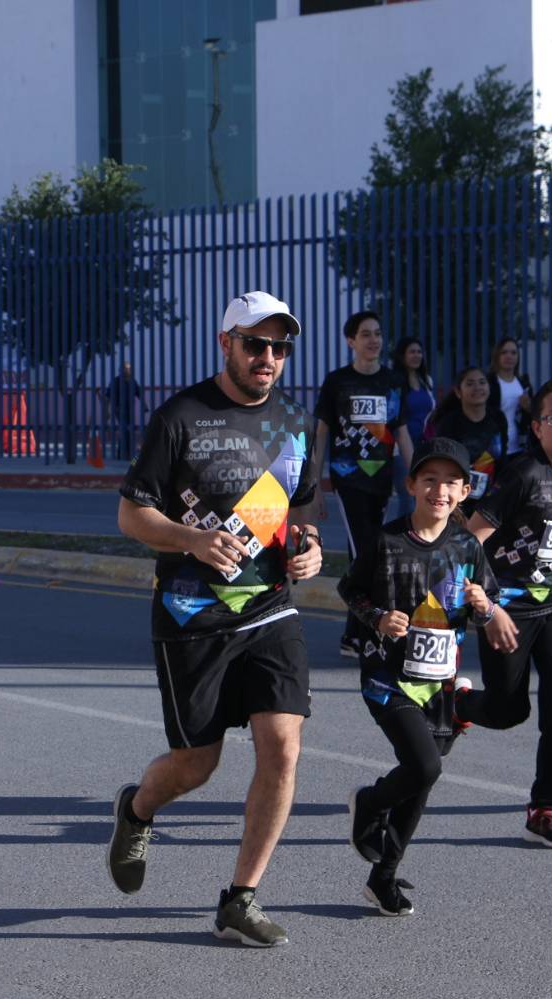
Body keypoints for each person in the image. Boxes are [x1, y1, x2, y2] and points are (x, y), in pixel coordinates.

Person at [107, 290, 324, 947]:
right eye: (254, 343)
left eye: (279, 347)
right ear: (224, 342)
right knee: (196, 764)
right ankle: (137, 807)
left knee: (282, 743)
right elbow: (130, 513)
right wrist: (191, 539)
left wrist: (310, 548)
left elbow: (302, 507)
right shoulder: (181, 416)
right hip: (191, 611)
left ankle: (240, 897)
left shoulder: (294, 422)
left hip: (267, 607)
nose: (267, 357)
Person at [339, 437, 507, 915]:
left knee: (421, 780)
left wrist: (484, 606)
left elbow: (487, 602)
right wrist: (376, 618)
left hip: (440, 682)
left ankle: (383, 877)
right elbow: (349, 589)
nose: (440, 490)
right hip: (387, 677)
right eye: (429, 479)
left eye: (451, 482)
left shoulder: (467, 546)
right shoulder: (386, 541)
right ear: (411, 485)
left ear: (464, 492)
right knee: (425, 766)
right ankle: (370, 803)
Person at [456, 378, 552, 847]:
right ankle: (458, 704)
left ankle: (544, 809)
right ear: (537, 427)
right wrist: (487, 606)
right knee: (506, 709)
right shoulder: (522, 475)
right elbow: (471, 541)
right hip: (507, 607)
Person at [314, 310, 414, 657]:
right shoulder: (337, 381)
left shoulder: (392, 381)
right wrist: (315, 485)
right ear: (351, 341)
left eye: (377, 333)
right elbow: (322, 432)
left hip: (382, 480)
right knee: (365, 552)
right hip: (348, 479)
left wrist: (415, 477)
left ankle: (354, 634)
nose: (373, 340)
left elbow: (400, 432)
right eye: (365, 334)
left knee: (372, 553)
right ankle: (363, 632)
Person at [430, 366, 509, 518]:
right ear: (458, 392)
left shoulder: (498, 418)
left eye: (482, 382)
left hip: (491, 501)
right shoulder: (448, 423)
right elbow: (443, 464)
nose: (477, 387)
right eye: (470, 383)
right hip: (458, 501)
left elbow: (502, 457)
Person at [388, 336, 435, 519]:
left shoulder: (427, 381)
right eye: (412, 352)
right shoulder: (395, 383)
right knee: (408, 496)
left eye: (419, 352)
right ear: (402, 356)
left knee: (423, 496)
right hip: (400, 448)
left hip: (424, 446)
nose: (416, 355)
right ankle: (403, 538)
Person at [490, 336, 534, 452]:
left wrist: (529, 407)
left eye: (513, 353)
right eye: (504, 352)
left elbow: (534, 413)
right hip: (494, 446)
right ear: (497, 356)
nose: (509, 356)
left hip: (519, 446)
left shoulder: (523, 383)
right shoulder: (489, 382)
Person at [104, 359, 146, 460]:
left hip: (130, 409)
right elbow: (108, 397)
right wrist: (108, 412)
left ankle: (126, 454)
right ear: (121, 370)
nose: (127, 370)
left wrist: (144, 405)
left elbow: (139, 394)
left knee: (129, 431)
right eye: (126, 368)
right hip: (119, 410)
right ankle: (122, 454)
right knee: (125, 430)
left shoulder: (132, 381)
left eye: (129, 369)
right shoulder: (116, 381)